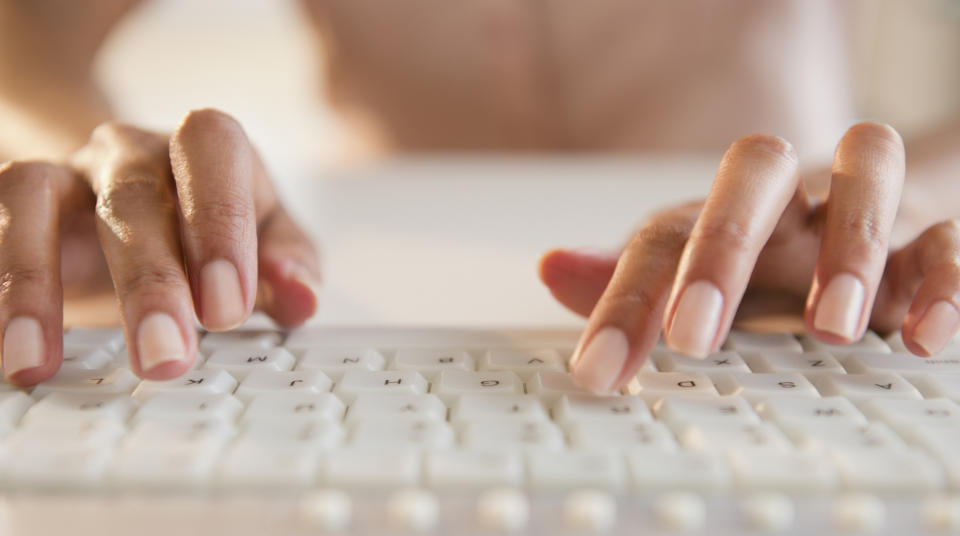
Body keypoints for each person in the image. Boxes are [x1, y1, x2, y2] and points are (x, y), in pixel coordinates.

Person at [0, 0, 957, 394]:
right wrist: (90, 160)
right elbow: (35, 33)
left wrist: (901, 206)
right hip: (368, 290)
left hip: (794, 274)